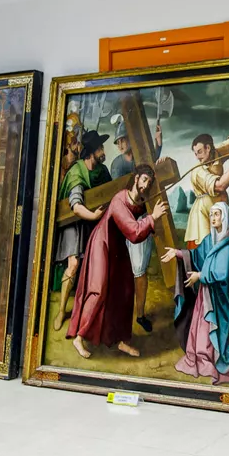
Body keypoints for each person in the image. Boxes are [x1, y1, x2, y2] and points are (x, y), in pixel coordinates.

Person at [68, 164, 169, 359]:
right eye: (144, 180)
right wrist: (153, 218)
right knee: (98, 290)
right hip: (102, 244)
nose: (146, 185)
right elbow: (134, 232)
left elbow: (138, 223)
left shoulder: (139, 201)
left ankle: (122, 340)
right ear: (136, 178)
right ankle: (79, 337)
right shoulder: (119, 200)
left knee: (124, 291)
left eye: (149, 181)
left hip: (117, 247)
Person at [161, 202, 229, 384]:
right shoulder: (210, 239)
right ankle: (198, 357)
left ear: (224, 216)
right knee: (199, 327)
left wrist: (201, 275)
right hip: (205, 295)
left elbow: (223, 272)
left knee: (210, 328)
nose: (213, 218)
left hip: (218, 297)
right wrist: (178, 253)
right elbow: (196, 255)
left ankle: (213, 358)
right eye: (212, 214)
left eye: (216, 215)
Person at [53, 129, 111, 331]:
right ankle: (61, 311)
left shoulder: (102, 171)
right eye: (100, 147)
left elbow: (110, 193)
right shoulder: (77, 171)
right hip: (74, 223)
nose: (103, 151)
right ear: (91, 151)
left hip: (92, 223)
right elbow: (76, 206)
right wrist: (94, 215)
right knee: (74, 264)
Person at [184, 111, 229, 274]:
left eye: (200, 152)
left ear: (209, 148)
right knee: (206, 259)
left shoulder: (217, 152)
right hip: (204, 215)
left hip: (223, 207)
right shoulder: (198, 172)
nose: (198, 157)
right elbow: (220, 186)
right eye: (195, 153)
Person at [110, 114, 163, 332]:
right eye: (118, 141)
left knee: (139, 272)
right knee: (121, 272)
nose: (121, 144)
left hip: (141, 222)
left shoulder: (143, 157)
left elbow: (150, 164)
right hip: (123, 224)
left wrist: (159, 144)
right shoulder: (117, 164)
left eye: (123, 139)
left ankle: (139, 315)